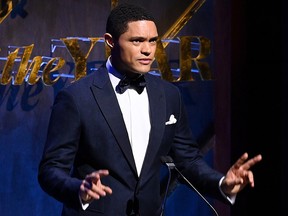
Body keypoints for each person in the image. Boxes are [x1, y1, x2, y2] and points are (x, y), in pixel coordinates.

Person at [38, 3, 262, 216]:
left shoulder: (168, 95)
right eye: (137, 41)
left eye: (153, 41)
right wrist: (78, 189)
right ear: (110, 41)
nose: (147, 50)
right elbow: (51, 170)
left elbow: (187, 161)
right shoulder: (77, 97)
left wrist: (222, 183)